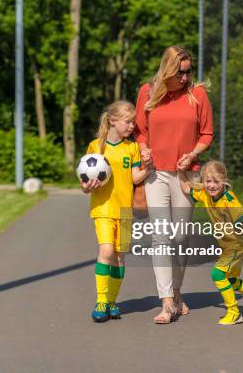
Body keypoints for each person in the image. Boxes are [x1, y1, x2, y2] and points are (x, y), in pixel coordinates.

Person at [135, 45, 213, 324]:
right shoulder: (148, 92)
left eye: (189, 71)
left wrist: (193, 154)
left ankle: (178, 292)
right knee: (161, 237)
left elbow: (207, 132)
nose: (185, 77)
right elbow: (140, 132)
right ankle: (166, 302)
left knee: (179, 238)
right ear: (167, 70)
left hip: (186, 176)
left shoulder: (197, 94)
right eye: (180, 72)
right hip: (155, 174)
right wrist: (144, 150)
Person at [178, 161, 243, 325]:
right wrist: (179, 171)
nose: (212, 185)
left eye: (216, 181)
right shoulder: (205, 194)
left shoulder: (229, 200)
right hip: (228, 246)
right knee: (230, 281)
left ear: (224, 180)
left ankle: (234, 312)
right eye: (208, 181)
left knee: (217, 274)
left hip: (237, 245)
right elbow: (187, 188)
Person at [81, 100, 150, 323]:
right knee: (107, 251)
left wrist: (148, 167)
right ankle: (100, 301)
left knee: (119, 257)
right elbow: (85, 179)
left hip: (125, 210)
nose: (131, 126)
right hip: (102, 208)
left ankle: (112, 301)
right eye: (128, 122)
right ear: (112, 120)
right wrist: (86, 187)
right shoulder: (96, 147)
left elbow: (134, 177)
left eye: (133, 122)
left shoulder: (131, 148)